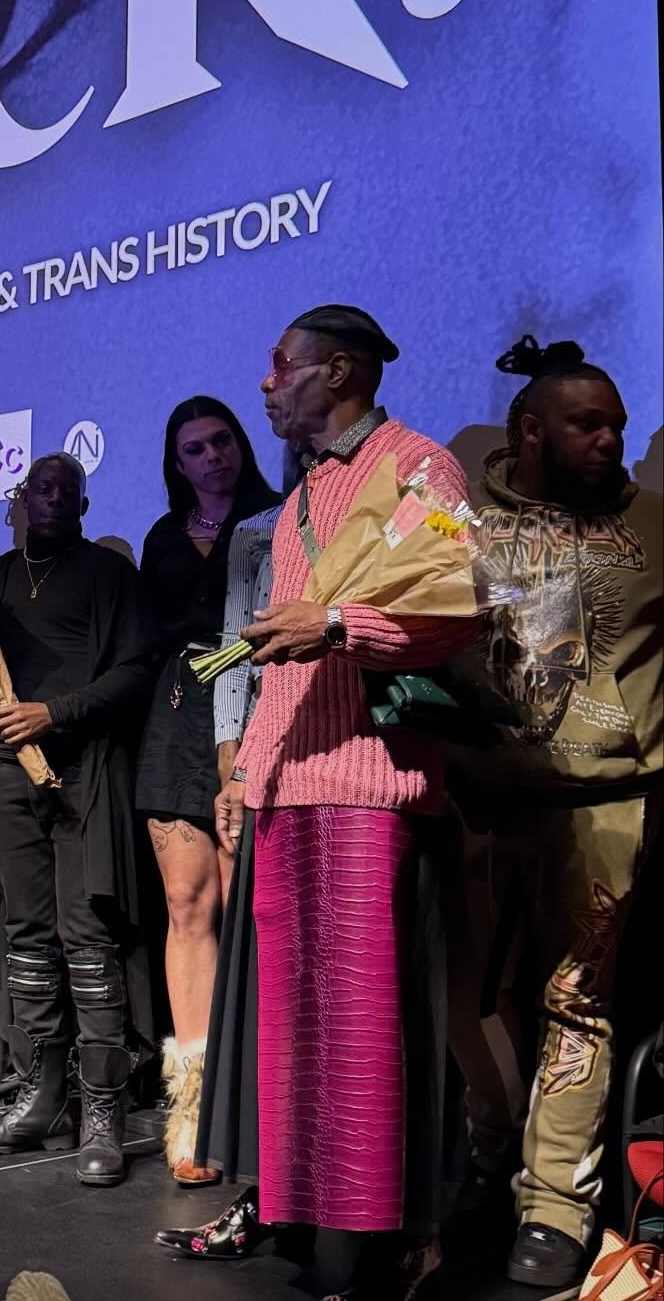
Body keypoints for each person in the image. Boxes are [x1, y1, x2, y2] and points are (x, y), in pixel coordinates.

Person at [217, 305, 474, 1299]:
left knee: (362, 1032)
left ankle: (376, 1244)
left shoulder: (423, 466)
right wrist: (251, 770)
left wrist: (336, 619)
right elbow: (280, 665)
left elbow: (452, 601)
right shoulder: (300, 499)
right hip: (291, 789)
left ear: (342, 373)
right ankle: (309, 1219)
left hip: (370, 788)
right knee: (293, 1033)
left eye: (281, 367)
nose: (268, 384)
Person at [445, 338, 661, 1293]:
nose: (609, 439)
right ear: (531, 428)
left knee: (580, 1001)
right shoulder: (457, 522)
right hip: (475, 799)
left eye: (617, 424)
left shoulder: (658, 527)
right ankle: (489, 1157)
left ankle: (555, 1209)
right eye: (588, 424)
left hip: (609, 808)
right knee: (469, 996)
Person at [0, 453, 159, 1189]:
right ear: (17, 500)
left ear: (83, 503)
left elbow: (137, 669)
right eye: (38, 487)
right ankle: (39, 1095)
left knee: (87, 937)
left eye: (64, 490)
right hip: (7, 773)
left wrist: (57, 712)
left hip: (84, 770)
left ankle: (101, 1110)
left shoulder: (109, 576)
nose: (50, 498)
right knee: (26, 937)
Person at [134, 398, 280, 1184]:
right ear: (177, 462)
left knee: (248, 911)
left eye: (222, 440)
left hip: (253, 714)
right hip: (174, 718)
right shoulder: (162, 534)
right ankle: (190, 1111)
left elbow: (252, 638)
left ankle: (252, 1111)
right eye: (194, 448)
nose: (212, 455)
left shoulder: (279, 517)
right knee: (187, 908)